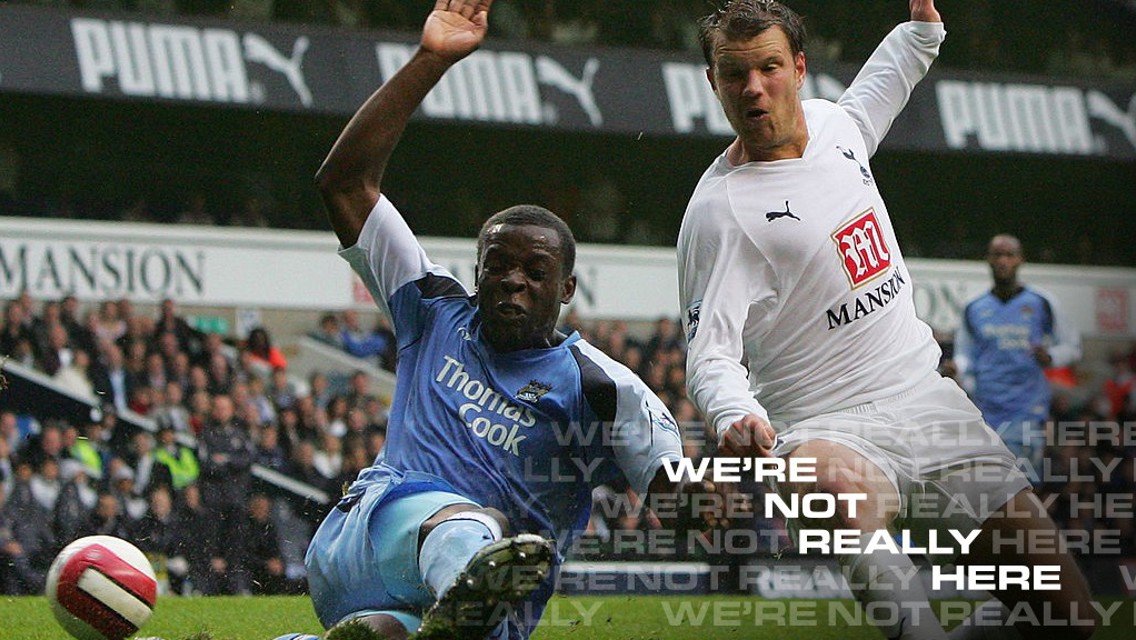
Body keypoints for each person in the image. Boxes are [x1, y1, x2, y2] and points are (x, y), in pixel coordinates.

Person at [288, 2, 711, 639]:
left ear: (567, 289)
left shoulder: (603, 390)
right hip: (369, 537)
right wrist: (431, 59)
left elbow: (683, 512)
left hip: (473, 617)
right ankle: (466, 579)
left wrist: (727, 474)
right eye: (498, 266)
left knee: (386, 635)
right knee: (473, 524)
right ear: (479, 270)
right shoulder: (431, 308)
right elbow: (344, 182)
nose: (512, 280)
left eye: (534, 272)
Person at [677, 2, 1095, 639]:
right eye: (734, 75)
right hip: (825, 426)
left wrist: (922, 28)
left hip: (929, 401)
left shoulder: (834, 126)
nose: (753, 89)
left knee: (1065, 621)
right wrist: (733, 414)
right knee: (835, 492)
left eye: (768, 68)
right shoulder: (717, 214)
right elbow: (710, 354)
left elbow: (884, 83)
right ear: (713, 82)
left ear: (798, 67)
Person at [950, 234, 1082, 473]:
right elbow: (965, 355)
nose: (1003, 261)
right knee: (990, 485)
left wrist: (1050, 357)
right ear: (988, 260)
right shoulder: (974, 307)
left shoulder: (1042, 302)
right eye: (997, 255)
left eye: (1009, 255)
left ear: (1021, 260)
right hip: (986, 406)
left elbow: (1072, 347)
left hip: (1027, 406)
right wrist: (956, 368)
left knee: (1023, 482)